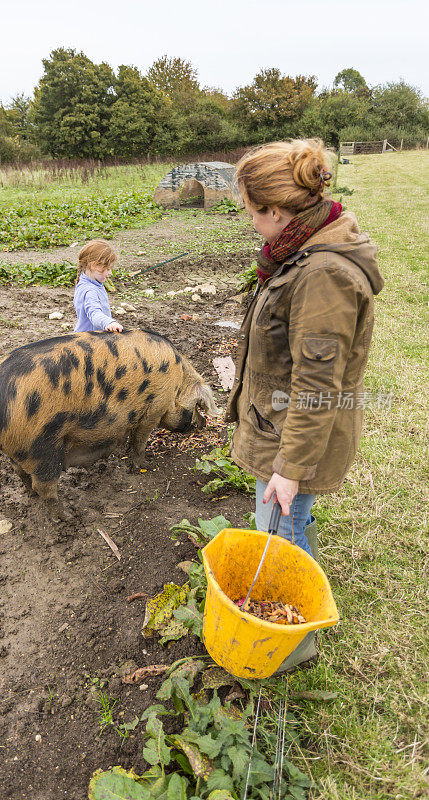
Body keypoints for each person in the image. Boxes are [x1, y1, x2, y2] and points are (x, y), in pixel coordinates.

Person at [226, 138, 384, 669]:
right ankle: (302, 600)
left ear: (276, 210)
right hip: (278, 423)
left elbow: (318, 385)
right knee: (287, 524)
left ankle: (290, 645)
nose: (250, 223)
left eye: (252, 212)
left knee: (280, 530)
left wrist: (290, 468)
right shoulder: (301, 249)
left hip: (290, 437)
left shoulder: (323, 275)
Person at [73, 240, 123, 333]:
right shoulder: (90, 290)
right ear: (93, 266)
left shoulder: (92, 283)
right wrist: (109, 323)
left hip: (93, 337)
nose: (110, 273)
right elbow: (94, 313)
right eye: (107, 269)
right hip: (90, 341)